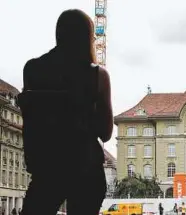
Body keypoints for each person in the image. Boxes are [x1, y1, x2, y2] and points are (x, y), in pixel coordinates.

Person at [18, 9, 113, 215]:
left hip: (48, 167)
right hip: (86, 167)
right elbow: (105, 132)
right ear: (88, 37)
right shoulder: (98, 75)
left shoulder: (32, 69)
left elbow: (31, 119)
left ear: (58, 33)